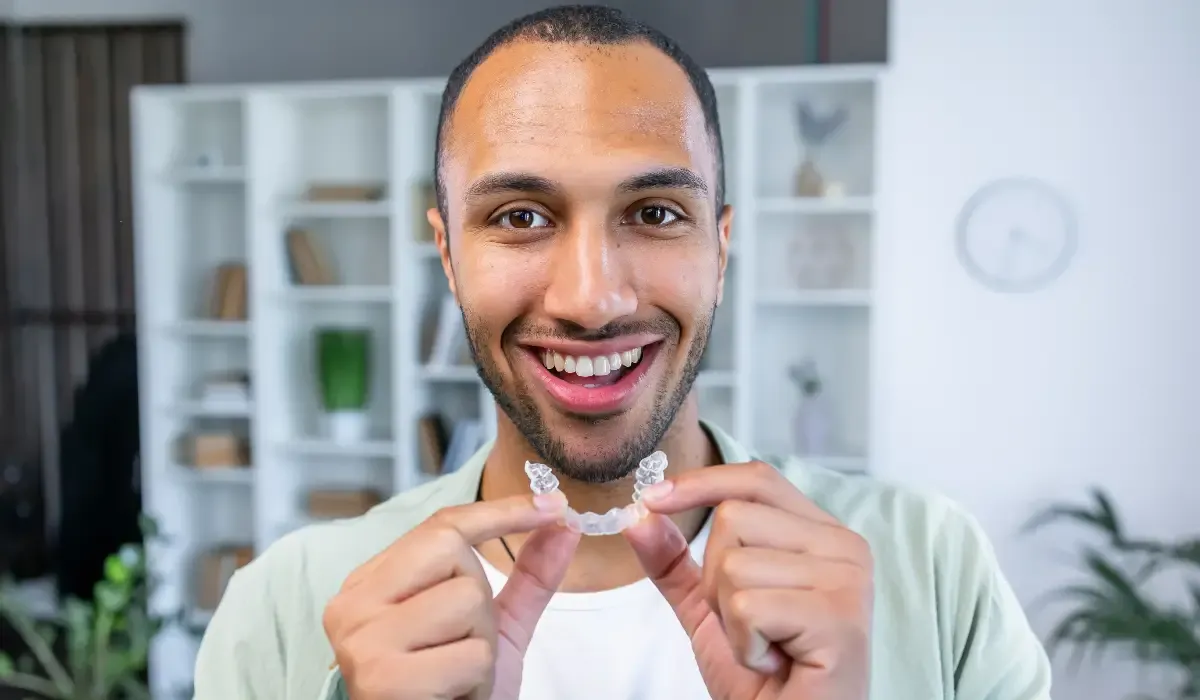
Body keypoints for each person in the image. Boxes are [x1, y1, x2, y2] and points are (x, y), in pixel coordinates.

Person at [192, 5, 1053, 699]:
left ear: (721, 248)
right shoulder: (284, 606)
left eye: (654, 213)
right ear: (448, 254)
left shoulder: (931, 569)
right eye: (521, 217)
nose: (592, 299)